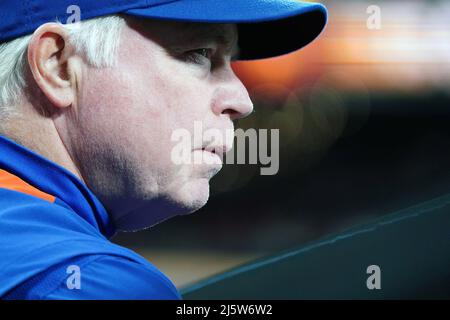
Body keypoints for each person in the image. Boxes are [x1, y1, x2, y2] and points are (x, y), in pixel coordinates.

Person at [0, 0, 327, 299]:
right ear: (58, 66)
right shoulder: (100, 285)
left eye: (231, 61)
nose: (241, 101)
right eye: (199, 53)